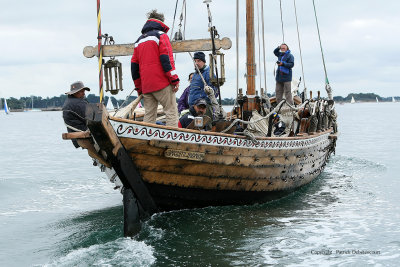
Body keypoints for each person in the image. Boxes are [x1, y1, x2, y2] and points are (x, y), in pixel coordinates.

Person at [131, 9, 180, 127]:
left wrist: (139, 88)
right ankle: (172, 142)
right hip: (161, 82)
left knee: (149, 116)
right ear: (161, 22)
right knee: (171, 111)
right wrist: (174, 79)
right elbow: (166, 59)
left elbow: (134, 67)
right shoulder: (161, 35)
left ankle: (148, 141)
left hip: (147, 86)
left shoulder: (139, 41)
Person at [62, 81, 90, 148]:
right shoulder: (78, 103)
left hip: (76, 136)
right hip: (84, 134)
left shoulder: (68, 102)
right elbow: (91, 118)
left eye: (84, 91)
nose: (84, 93)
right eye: (82, 91)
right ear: (75, 93)